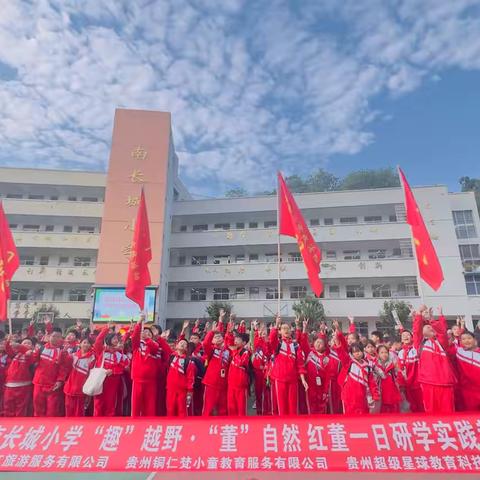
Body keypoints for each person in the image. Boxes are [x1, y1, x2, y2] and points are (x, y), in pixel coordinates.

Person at [413, 306, 456, 413]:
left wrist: (432, 319)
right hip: (428, 382)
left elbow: (441, 331)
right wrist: (419, 314)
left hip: (445, 382)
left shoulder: (441, 342)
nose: (430, 328)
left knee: (448, 411)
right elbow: (416, 330)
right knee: (432, 411)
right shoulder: (420, 344)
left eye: (431, 327)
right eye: (427, 327)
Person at [333, 324, 379, 415]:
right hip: (348, 396)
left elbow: (372, 382)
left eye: (359, 351)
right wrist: (337, 341)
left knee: (363, 416)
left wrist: (375, 395)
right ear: (351, 354)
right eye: (354, 352)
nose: (357, 354)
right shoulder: (348, 362)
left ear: (363, 351)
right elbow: (342, 353)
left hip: (362, 397)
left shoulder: (367, 366)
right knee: (349, 418)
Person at [269, 315, 307, 416]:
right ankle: (283, 427)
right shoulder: (278, 344)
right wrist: (276, 324)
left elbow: (300, 363)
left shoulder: (295, 345)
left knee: (293, 407)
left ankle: (292, 428)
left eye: (288, 328)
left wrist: (303, 379)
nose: (286, 330)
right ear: (280, 331)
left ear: (291, 331)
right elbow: (272, 339)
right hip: (280, 379)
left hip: (293, 380)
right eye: (283, 328)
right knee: (282, 407)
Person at [130, 316, 164, 417]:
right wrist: (139, 322)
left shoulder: (156, 346)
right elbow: (135, 335)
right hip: (137, 380)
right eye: (144, 332)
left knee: (150, 407)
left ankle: (149, 426)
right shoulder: (137, 346)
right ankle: (134, 425)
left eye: (149, 333)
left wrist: (148, 339)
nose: (146, 334)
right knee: (136, 407)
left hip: (151, 381)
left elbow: (154, 347)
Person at [32, 327, 70, 416]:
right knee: (38, 409)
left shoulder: (63, 351)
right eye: (54, 336)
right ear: (49, 337)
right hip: (39, 383)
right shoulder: (41, 348)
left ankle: (50, 428)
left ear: (61, 338)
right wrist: (30, 352)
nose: (55, 338)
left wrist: (60, 380)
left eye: (58, 337)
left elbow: (64, 368)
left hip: (53, 386)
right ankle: (39, 428)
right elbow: (33, 360)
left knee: (52, 411)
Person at [298, 320, 334, 414]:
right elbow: (303, 341)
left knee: (322, 408)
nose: (318, 344)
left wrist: (325, 391)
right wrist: (304, 328)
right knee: (311, 408)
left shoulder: (326, 358)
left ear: (324, 346)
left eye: (320, 343)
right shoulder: (309, 353)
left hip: (322, 388)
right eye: (316, 342)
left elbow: (328, 377)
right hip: (310, 386)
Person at [93, 324, 129, 416]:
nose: (116, 340)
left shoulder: (119, 353)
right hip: (101, 379)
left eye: (117, 339)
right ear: (108, 340)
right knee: (98, 402)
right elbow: (98, 341)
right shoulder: (102, 351)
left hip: (113, 381)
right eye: (114, 339)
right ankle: (97, 422)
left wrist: (112, 370)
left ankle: (109, 422)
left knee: (111, 402)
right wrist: (106, 329)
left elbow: (121, 366)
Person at [202, 311, 232, 416]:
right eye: (216, 337)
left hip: (224, 383)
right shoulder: (211, 350)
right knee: (208, 408)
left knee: (223, 409)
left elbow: (230, 338)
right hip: (211, 383)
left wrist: (222, 321)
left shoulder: (227, 350)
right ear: (212, 341)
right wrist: (212, 332)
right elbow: (205, 343)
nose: (218, 338)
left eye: (219, 337)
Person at [4, 336, 36, 417]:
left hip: (23, 386)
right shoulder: (15, 354)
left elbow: (26, 351)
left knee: (21, 408)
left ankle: (19, 424)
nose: (26, 344)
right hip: (9, 385)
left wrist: (18, 345)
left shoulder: (31, 355)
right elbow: (8, 349)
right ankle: (9, 425)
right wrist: (8, 341)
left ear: (32, 347)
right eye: (24, 343)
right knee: (8, 406)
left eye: (29, 343)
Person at [63, 337, 96, 416]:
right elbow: (63, 364)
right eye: (84, 342)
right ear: (80, 344)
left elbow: (92, 375)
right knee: (69, 410)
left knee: (79, 413)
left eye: (88, 343)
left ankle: (78, 427)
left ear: (91, 346)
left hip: (82, 390)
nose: (86, 344)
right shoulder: (73, 356)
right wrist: (64, 351)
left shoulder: (92, 358)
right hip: (70, 388)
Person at [166, 338, 196, 417]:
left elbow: (191, 377)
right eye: (180, 343)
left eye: (184, 344)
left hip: (182, 391)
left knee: (182, 411)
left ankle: (183, 428)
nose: (182, 344)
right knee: (170, 410)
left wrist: (189, 391)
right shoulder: (171, 357)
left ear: (186, 348)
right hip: (170, 389)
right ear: (176, 346)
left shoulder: (188, 361)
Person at [397, 327, 424, 412]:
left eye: (408, 335)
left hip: (418, 384)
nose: (405, 337)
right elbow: (400, 369)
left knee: (421, 406)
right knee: (411, 407)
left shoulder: (416, 349)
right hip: (407, 384)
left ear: (412, 337)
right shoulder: (400, 353)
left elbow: (418, 336)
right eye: (403, 335)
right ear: (401, 339)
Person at [452, 330, 480, 411]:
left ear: (475, 340)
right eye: (463, 339)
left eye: (469, 338)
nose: (466, 341)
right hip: (467, 392)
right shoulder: (459, 352)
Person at [227, 332, 251, 416]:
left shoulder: (245, 352)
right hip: (231, 384)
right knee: (231, 408)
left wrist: (234, 352)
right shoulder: (234, 350)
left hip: (241, 385)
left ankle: (242, 426)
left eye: (238, 339)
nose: (235, 341)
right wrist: (230, 331)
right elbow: (227, 342)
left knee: (241, 409)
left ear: (244, 343)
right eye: (235, 339)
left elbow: (241, 363)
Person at [251, 321, 271, 415]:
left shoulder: (268, 342)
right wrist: (257, 334)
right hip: (258, 371)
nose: (263, 332)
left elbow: (270, 353)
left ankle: (267, 411)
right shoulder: (257, 340)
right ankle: (260, 411)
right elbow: (254, 345)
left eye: (265, 331)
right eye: (261, 330)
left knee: (267, 393)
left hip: (267, 371)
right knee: (259, 392)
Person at [377, 345, 401, 413]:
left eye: (386, 352)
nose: (384, 354)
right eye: (382, 352)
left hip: (392, 391)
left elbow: (398, 375)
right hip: (381, 392)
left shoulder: (393, 364)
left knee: (394, 411)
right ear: (378, 354)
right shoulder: (374, 365)